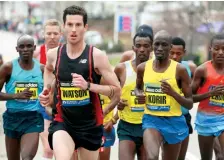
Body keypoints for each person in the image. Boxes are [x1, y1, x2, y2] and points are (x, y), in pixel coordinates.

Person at [39, 5, 121, 160]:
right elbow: (49, 70)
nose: (74, 29)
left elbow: (116, 90)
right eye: (70, 25)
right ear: (63, 27)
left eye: (78, 25)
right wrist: (46, 89)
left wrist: (89, 86)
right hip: (63, 121)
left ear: (86, 27)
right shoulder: (53, 54)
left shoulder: (96, 56)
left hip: (90, 125)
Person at [135, 30, 193, 160]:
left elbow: (189, 103)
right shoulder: (143, 68)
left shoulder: (180, 70)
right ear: (152, 46)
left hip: (174, 120)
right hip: (151, 119)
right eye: (157, 44)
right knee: (152, 157)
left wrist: (173, 93)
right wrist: (139, 94)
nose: (160, 48)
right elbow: (138, 88)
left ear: (170, 47)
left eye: (164, 45)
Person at [109, 25, 154, 160]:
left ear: (151, 48)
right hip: (126, 125)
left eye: (146, 46)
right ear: (133, 48)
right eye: (138, 45)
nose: (142, 49)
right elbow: (110, 91)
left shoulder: (157, 70)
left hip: (150, 125)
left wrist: (149, 99)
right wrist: (117, 101)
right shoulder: (122, 69)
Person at [0, 34, 44, 160]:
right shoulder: (8, 68)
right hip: (12, 117)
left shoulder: (41, 69)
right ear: (17, 49)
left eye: (29, 46)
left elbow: (50, 93)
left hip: (33, 118)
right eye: (22, 46)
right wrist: (16, 95)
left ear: (34, 48)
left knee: (27, 157)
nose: (25, 49)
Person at [33, 19, 62, 160]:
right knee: (48, 148)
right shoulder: (36, 53)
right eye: (49, 33)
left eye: (55, 33)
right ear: (43, 34)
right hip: (42, 103)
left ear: (60, 35)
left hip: (62, 102)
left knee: (61, 149)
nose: (52, 37)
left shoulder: (66, 52)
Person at [165, 37, 196, 160]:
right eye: (171, 53)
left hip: (183, 116)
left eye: (178, 53)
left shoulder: (188, 68)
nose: (174, 56)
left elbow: (191, 95)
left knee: (180, 157)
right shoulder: (160, 67)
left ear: (184, 52)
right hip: (164, 116)